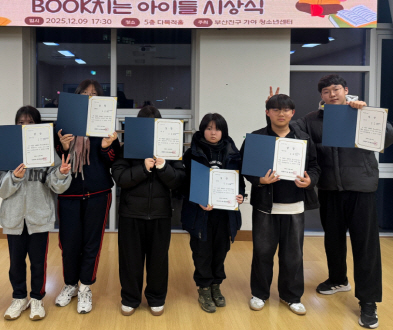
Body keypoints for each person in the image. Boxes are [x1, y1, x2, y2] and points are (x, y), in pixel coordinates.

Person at [273, 74, 393, 329]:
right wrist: (276, 109)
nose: (332, 94)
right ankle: (338, 279)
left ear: (345, 90)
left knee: (365, 246)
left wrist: (366, 113)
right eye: (326, 91)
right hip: (329, 188)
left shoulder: (362, 113)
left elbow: (390, 136)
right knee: (333, 239)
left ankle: (368, 301)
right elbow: (287, 131)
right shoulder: (311, 120)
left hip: (361, 188)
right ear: (321, 95)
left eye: (336, 89)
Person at [240, 94, 320, 316]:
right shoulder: (257, 138)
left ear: (292, 113)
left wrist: (310, 181)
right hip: (265, 206)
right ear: (267, 113)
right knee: (262, 252)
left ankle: (291, 296)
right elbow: (245, 167)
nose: (281, 114)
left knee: (293, 256)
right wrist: (259, 180)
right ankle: (259, 294)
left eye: (285, 110)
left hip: (294, 205)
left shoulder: (303, 139)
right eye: (275, 109)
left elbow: (315, 167)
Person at [0, 106, 72, 321]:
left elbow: (55, 185)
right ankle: (19, 298)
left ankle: (37, 298)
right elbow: (0, 189)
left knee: (38, 262)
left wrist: (61, 173)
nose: (25, 126)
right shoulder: (7, 151)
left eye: (30, 122)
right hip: (13, 218)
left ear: (38, 126)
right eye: (21, 122)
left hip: (39, 217)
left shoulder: (46, 149)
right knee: (16, 263)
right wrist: (15, 177)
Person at [54, 79, 121, 314]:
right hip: (69, 192)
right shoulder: (65, 124)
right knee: (69, 242)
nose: (89, 96)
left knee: (92, 243)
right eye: (84, 93)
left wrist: (106, 146)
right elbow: (56, 158)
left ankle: (85, 287)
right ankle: (70, 284)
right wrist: (63, 147)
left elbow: (112, 160)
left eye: (94, 93)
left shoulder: (105, 124)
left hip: (98, 192)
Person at [112, 106, 186, 316]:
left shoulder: (171, 148)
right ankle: (130, 298)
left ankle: (156, 298)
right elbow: (119, 177)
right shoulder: (127, 147)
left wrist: (164, 168)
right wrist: (143, 168)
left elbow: (179, 180)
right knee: (130, 260)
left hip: (160, 213)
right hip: (131, 213)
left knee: (158, 260)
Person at [181, 113, 245, 313]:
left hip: (224, 214)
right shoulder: (191, 154)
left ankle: (216, 285)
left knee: (220, 251)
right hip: (200, 214)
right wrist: (196, 199)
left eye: (217, 129)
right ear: (202, 130)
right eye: (208, 128)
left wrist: (240, 196)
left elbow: (239, 182)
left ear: (223, 131)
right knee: (202, 252)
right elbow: (182, 184)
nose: (213, 132)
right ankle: (204, 288)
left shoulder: (233, 153)